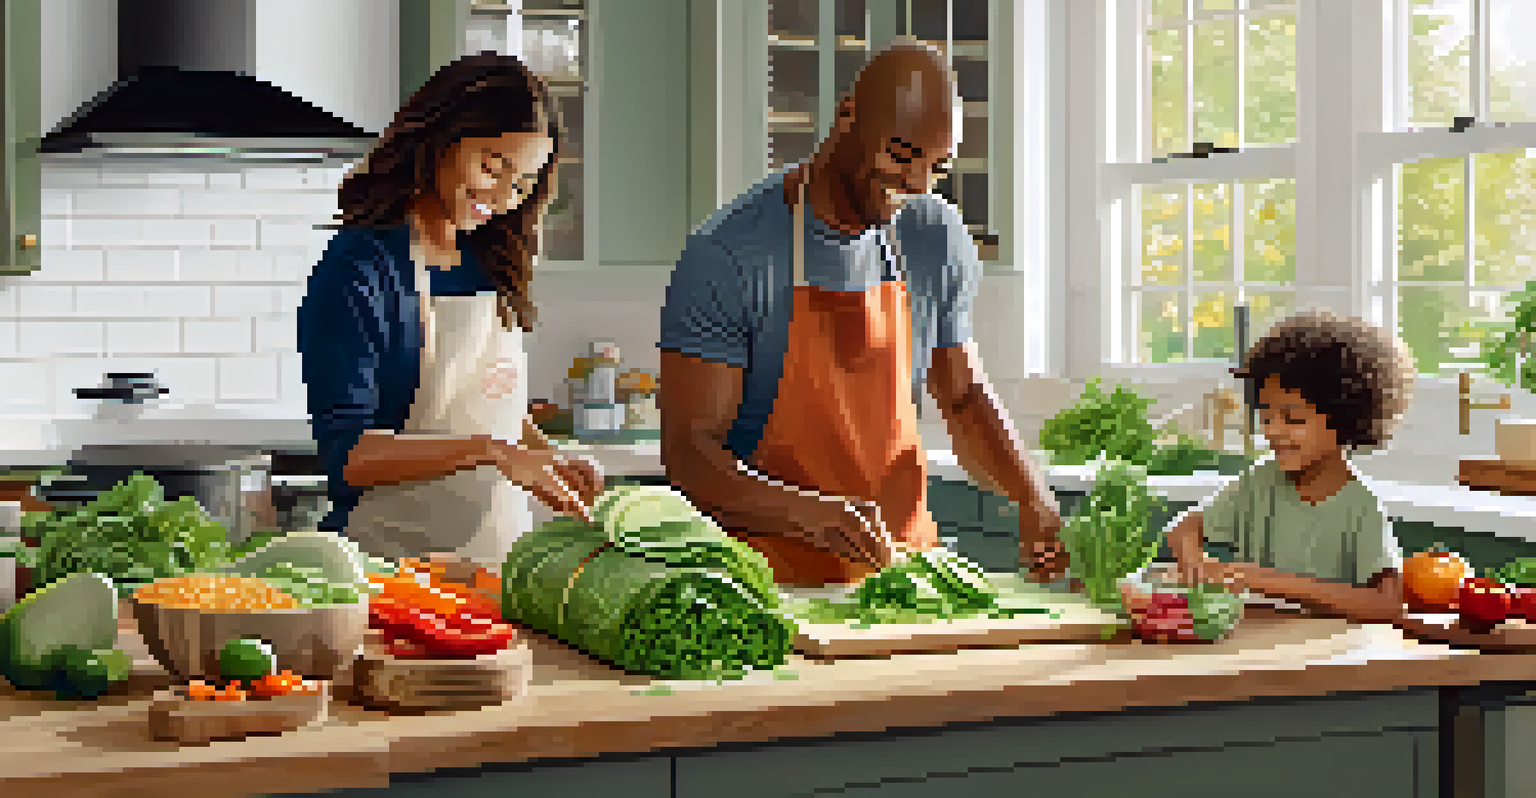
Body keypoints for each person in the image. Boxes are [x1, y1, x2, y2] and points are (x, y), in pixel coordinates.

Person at [658, 40, 1066, 586]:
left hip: (901, 578)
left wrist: (1032, 496)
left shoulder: (935, 238)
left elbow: (964, 398)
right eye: (901, 154)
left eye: (936, 167)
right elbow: (690, 455)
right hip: (768, 583)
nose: (916, 183)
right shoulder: (729, 253)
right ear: (847, 115)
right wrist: (813, 516)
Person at [297, 53, 602, 565]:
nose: (502, 197)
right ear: (440, 137)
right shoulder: (360, 268)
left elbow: (492, 409)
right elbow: (349, 458)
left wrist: (548, 459)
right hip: (392, 570)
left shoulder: (492, 261)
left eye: (521, 184)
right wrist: (492, 451)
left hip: (498, 564)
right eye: (492, 167)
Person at [1166, 309, 1416, 624]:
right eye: (1267, 417)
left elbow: (1387, 605)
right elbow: (1184, 528)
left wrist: (1262, 579)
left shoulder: (1360, 507)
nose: (1273, 431)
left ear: (1345, 419)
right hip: (1257, 642)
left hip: (1329, 650)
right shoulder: (1259, 482)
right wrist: (1194, 562)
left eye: (1293, 419)